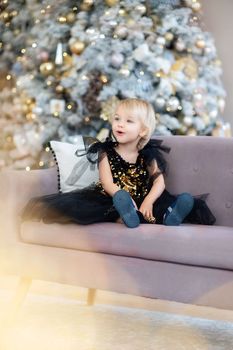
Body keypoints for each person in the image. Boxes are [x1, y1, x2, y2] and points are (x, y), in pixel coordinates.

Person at [22, 98, 215, 228]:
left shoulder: (147, 153)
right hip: (114, 197)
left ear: (142, 131)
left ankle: (170, 216)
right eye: (117, 119)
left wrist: (148, 200)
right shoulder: (105, 151)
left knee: (159, 205)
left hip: (144, 197)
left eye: (128, 121)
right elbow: (107, 183)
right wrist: (120, 195)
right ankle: (126, 216)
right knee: (107, 207)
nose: (119, 124)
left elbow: (159, 182)